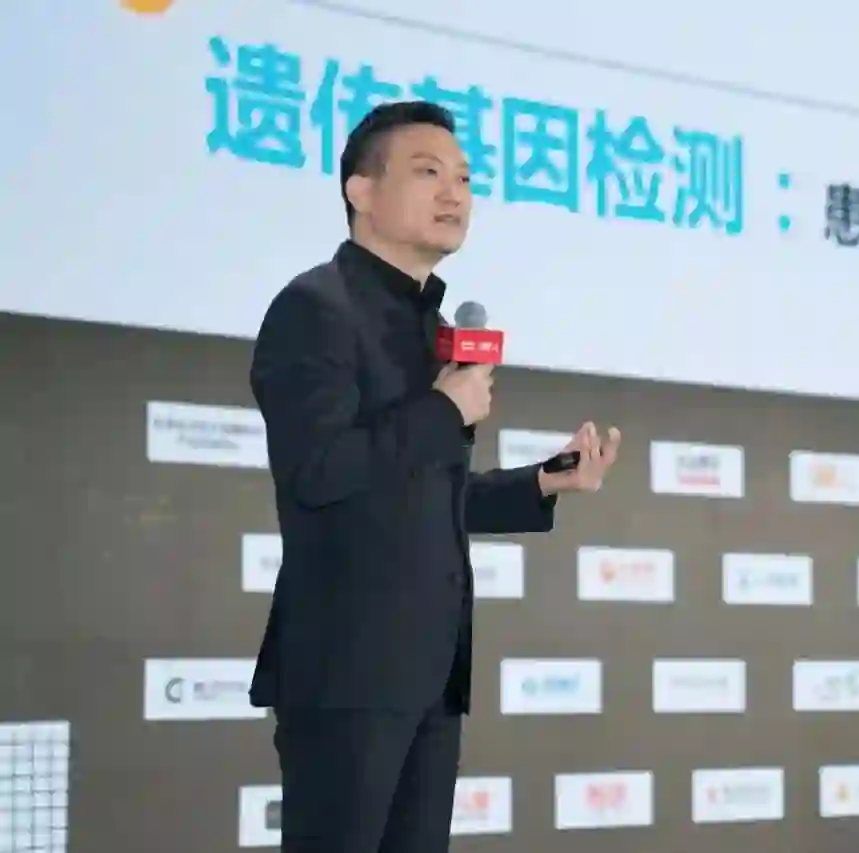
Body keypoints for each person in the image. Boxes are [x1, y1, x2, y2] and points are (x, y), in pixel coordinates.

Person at [246, 100, 621, 853]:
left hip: (431, 674)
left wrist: (543, 483)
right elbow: (319, 471)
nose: (455, 193)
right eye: (428, 172)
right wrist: (443, 408)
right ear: (361, 190)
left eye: (465, 178)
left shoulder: (435, 332)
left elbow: (421, 493)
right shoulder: (314, 308)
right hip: (347, 673)